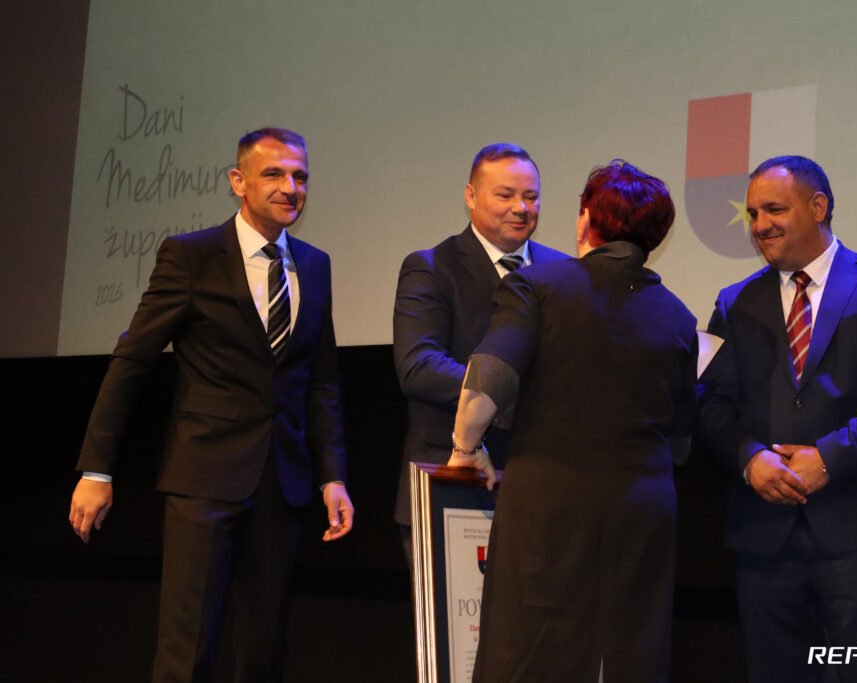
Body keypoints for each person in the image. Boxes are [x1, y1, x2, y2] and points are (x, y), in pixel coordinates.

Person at [68, 127, 354, 683]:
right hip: (203, 476)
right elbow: (132, 362)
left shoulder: (314, 263)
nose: (290, 187)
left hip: (283, 481)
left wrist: (333, 477)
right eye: (274, 174)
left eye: (300, 176)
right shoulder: (191, 256)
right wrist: (97, 469)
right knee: (189, 649)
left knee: (263, 648)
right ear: (238, 182)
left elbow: (320, 381)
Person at [449, 160, 697, 682]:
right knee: (631, 655)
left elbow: (488, 379)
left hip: (551, 508)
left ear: (587, 218)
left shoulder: (537, 285)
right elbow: (679, 440)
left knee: (529, 653)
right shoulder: (678, 316)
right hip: (643, 515)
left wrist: (466, 448)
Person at [698, 156, 857, 682]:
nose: (760, 225)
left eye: (774, 209)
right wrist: (749, 460)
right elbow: (711, 404)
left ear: (818, 206)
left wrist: (828, 458)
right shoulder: (734, 303)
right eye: (753, 214)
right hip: (764, 538)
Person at [392, 142, 567, 561]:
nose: (520, 208)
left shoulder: (564, 272)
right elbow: (419, 367)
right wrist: (512, 392)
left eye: (531, 196)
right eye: (505, 195)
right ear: (470, 196)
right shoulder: (431, 267)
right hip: (453, 480)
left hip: (543, 485)